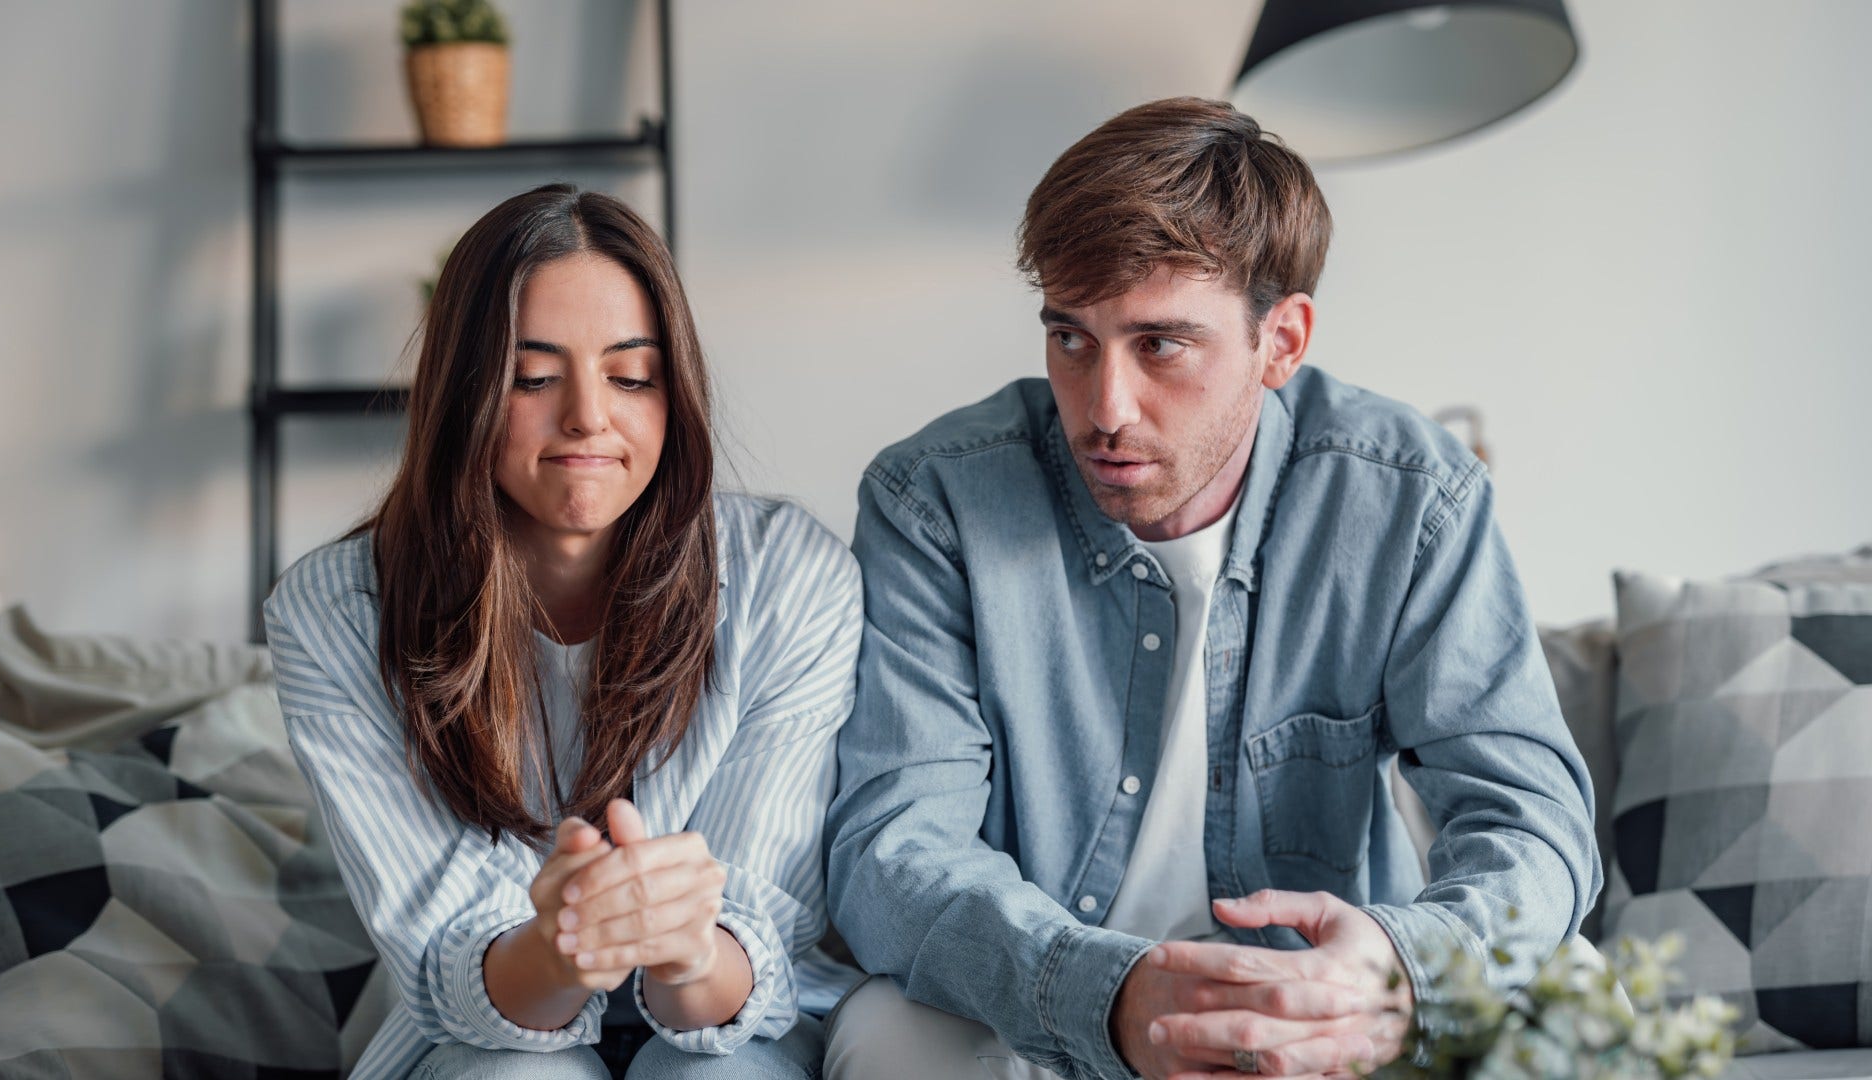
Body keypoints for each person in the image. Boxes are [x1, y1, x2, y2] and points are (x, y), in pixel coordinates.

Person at [822, 98, 1603, 1080]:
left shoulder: (1407, 495)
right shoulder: (940, 499)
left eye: (1160, 345)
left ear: (1281, 341)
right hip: (1050, 1004)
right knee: (884, 1034)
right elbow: (893, 849)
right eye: (1071, 338)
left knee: (1580, 984)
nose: (1104, 407)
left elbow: (1532, 818)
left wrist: (1399, 972)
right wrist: (1105, 994)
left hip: (1332, 1007)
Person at [263, 185, 861, 1080]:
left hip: (730, 1027)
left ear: (677, 393)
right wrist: (561, 948)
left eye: (631, 376)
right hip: (484, 1036)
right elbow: (442, 960)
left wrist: (686, 947)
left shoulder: (788, 575)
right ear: (464, 392)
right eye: (533, 377)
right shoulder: (335, 612)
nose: (588, 415)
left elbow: (761, 943)